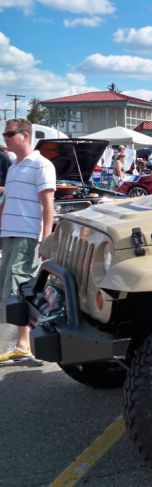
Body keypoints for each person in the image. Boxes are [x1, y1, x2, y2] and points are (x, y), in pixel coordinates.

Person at [0, 118, 55, 364]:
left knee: (19, 287)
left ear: (24, 135)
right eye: (4, 134)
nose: (5, 138)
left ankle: (25, 345)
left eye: (9, 134)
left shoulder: (41, 164)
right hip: (9, 233)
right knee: (13, 290)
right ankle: (26, 343)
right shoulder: (13, 166)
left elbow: (48, 205)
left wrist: (46, 238)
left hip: (27, 234)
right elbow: (7, 202)